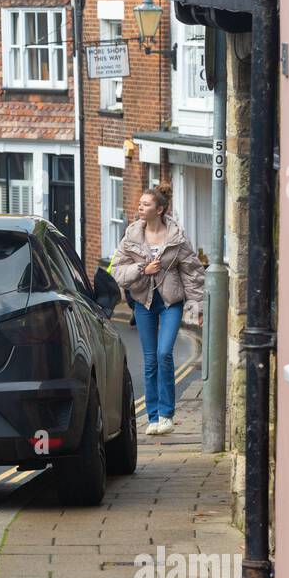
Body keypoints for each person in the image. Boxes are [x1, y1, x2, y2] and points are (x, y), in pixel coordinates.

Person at [111, 186, 204, 436]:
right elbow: (117, 271)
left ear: (160, 209)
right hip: (144, 304)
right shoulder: (131, 235)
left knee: (164, 354)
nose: (140, 208)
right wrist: (142, 269)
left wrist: (198, 306)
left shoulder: (176, 237)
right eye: (139, 204)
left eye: (146, 205)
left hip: (170, 303)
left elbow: (192, 271)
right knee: (150, 360)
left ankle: (166, 414)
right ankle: (152, 417)